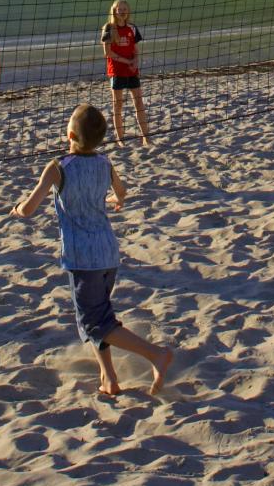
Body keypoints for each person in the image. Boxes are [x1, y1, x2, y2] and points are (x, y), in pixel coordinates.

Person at [10, 104, 174, 398]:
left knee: (93, 320)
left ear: (69, 134)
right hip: (108, 252)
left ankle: (156, 355)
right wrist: (115, 200)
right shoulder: (104, 163)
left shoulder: (58, 167)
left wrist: (18, 210)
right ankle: (109, 378)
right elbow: (122, 192)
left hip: (83, 258)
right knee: (97, 317)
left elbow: (30, 207)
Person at [100, 0, 151, 144]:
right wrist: (127, 61)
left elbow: (135, 50)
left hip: (131, 70)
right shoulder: (109, 28)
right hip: (116, 71)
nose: (122, 11)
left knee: (139, 102)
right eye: (119, 9)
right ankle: (120, 138)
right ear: (114, 11)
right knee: (118, 104)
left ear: (127, 11)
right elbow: (107, 53)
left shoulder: (132, 28)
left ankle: (146, 137)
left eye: (124, 9)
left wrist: (134, 61)